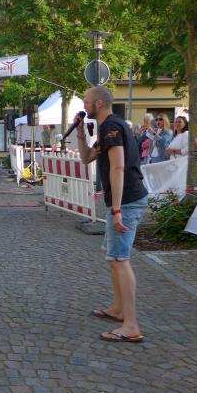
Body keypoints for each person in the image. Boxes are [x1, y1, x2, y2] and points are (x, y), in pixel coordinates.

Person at [76, 86, 148, 343]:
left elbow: (118, 167)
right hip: (123, 201)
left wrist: (116, 210)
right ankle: (118, 309)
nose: (84, 106)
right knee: (113, 257)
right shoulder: (108, 127)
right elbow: (86, 158)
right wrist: (81, 132)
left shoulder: (112, 128)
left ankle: (131, 325)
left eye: (86, 102)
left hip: (126, 201)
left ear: (98, 103)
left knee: (120, 260)